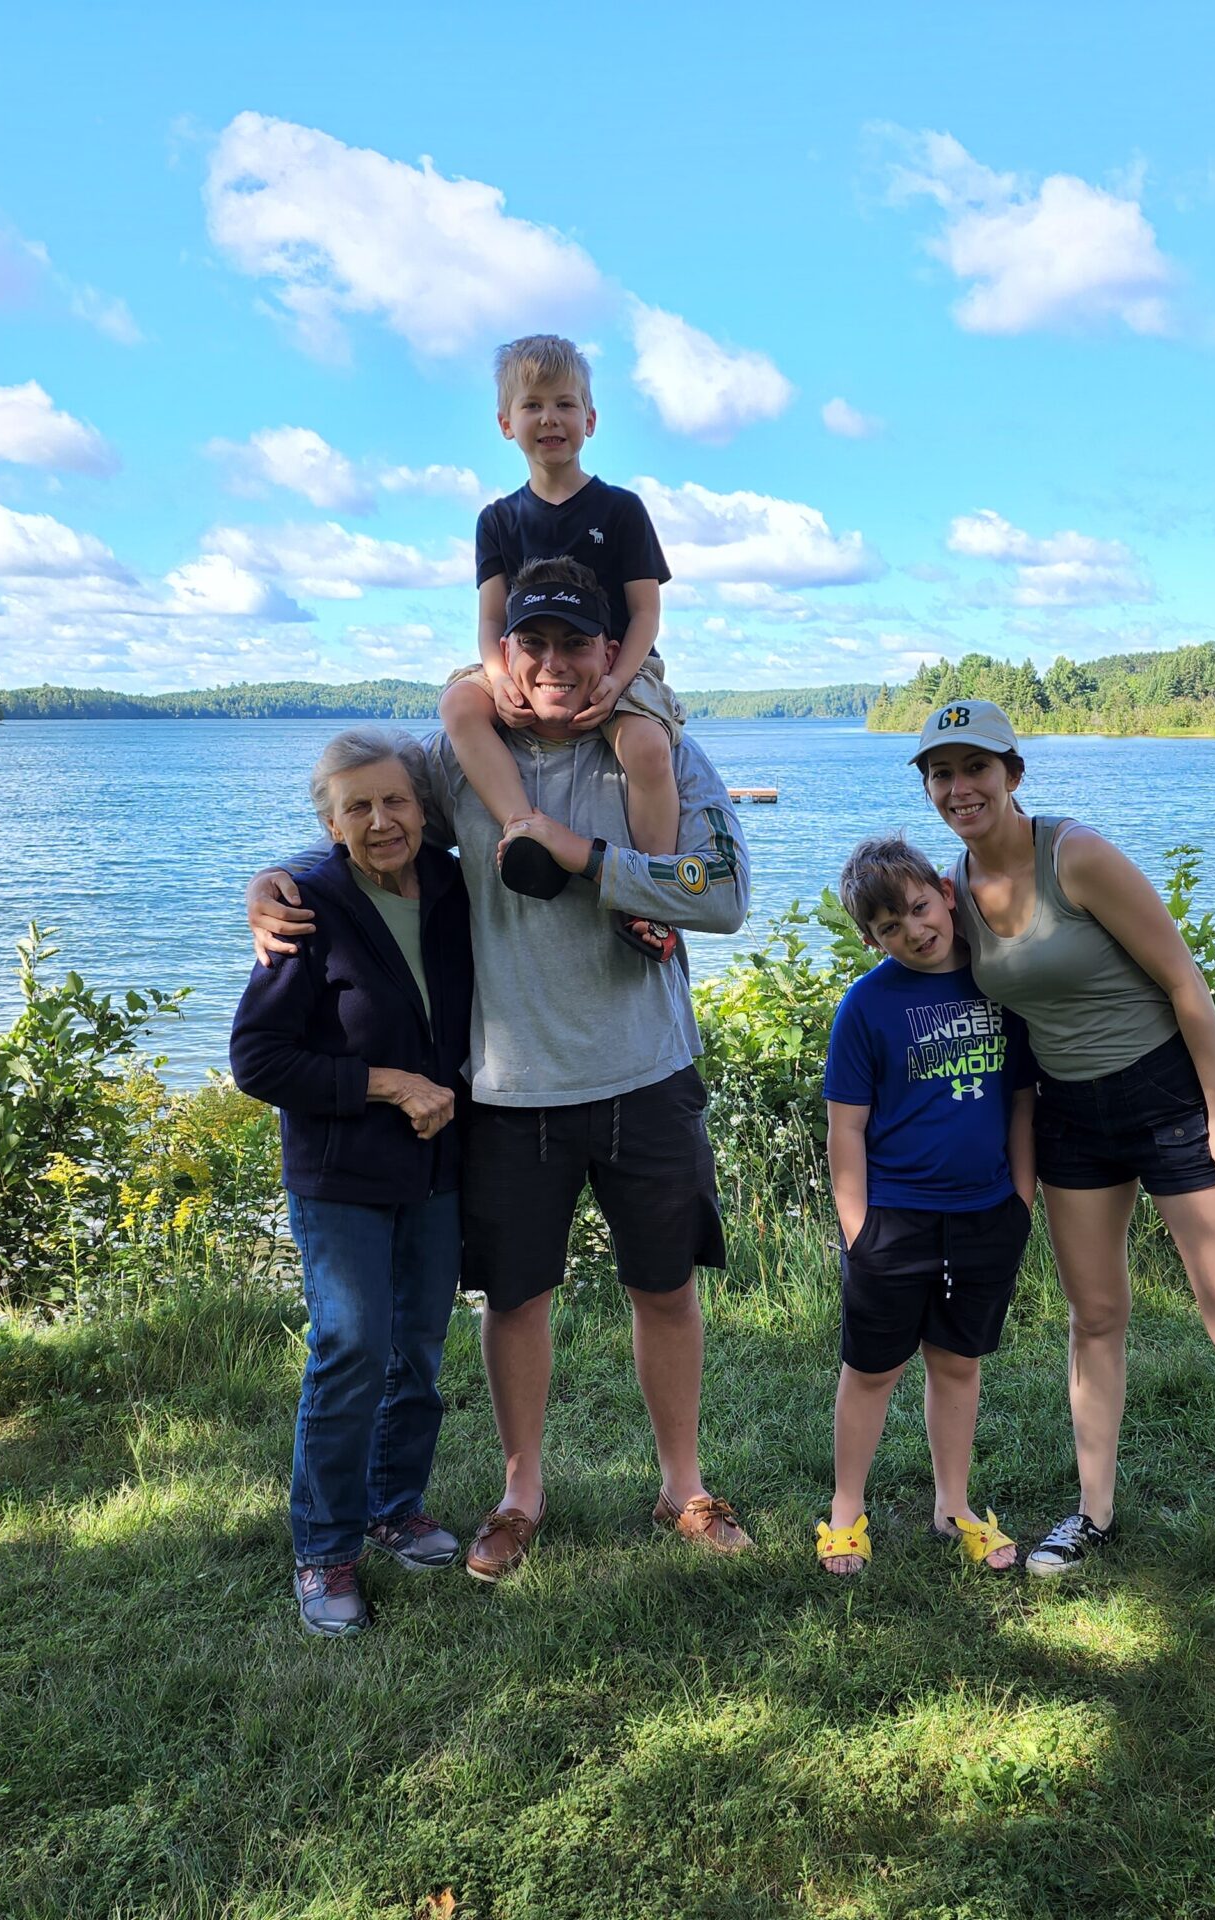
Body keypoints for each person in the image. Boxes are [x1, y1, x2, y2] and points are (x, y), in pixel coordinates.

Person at [246, 578, 755, 1584]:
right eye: (535, 642)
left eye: (577, 642)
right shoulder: (457, 760)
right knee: (516, 1301)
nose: (555, 662)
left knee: (664, 1290)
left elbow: (725, 894)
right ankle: (521, 1497)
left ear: (611, 652)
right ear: (505, 654)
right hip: (511, 1089)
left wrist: (589, 858)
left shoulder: (660, 750)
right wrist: (278, 882)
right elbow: (372, 820)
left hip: (647, 1073)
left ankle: (682, 1487)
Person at [915, 697, 1215, 1651]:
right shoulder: (953, 889)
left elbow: (1183, 980)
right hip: (1069, 1118)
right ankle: (1093, 1513)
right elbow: (911, 956)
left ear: (1014, 774)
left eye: (976, 768)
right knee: (1095, 1317)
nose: (960, 787)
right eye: (941, 773)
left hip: (1168, 1102)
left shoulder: (1077, 857)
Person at [230, 729, 474, 1639]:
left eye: (395, 800)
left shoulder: (451, 886)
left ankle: (392, 1505)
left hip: (437, 1166)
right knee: (353, 1347)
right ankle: (324, 1549)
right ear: (330, 826)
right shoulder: (306, 909)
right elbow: (257, 1058)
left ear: (424, 809)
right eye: (357, 807)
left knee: (419, 1350)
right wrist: (386, 1084)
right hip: (341, 1174)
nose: (380, 821)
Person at [818, 835, 1037, 1577]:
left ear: (946, 893)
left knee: (958, 1363)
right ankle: (845, 1510)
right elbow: (845, 1129)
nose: (913, 930)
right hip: (894, 1219)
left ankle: (954, 1506)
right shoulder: (866, 1007)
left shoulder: (996, 984)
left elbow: (1021, 1102)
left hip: (985, 1215)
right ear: (871, 938)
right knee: (871, 1369)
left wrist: (1020, 1199)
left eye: (919, 908)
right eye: (890, 926)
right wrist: (858, 1229)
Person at [440, 333, 685, 960]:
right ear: (506, 423)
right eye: (533, 405)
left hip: (617, 661)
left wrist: (618, 679)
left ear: (590, 420)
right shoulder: (498, 519)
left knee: (648, 747)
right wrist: (498, 680)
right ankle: (523, 828)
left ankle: (651, 894)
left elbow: (645, 612)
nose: (550, 418)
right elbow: (490, 620)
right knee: (458, 707)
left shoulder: (621, 510)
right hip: (522, 663)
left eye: (565, 404)